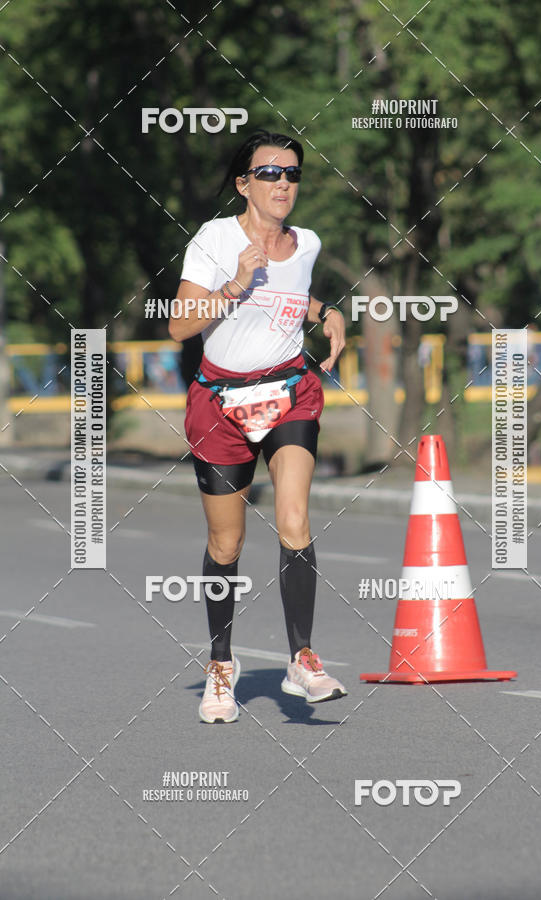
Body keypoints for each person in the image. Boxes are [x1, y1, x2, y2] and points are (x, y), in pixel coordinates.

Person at [169, 129, 347, 723]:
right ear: (244, 183)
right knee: (227, 542)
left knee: (294, 516)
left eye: (292, 174)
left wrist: (326, 312)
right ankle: (221, 665)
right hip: (219, 404)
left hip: (290, 392)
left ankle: (302, 657)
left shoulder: (307, 243)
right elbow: (178, 326)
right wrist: (235, 285)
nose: (283, 184)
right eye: (269, 173)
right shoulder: (215, 239)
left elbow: (292, 295)